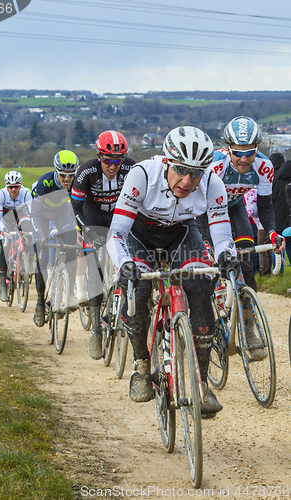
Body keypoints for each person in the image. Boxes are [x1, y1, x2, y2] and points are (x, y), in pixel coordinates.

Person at [106, 125, 240, 416]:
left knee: (200, 290)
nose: (188, 180)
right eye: (181, 169)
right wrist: (124, 263)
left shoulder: (212, 183)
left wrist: (225, 257)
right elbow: (116, 232)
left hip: (181, 234)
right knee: (138, 291)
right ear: (167, 161)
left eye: (196, 173)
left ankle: (202, 383)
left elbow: (220, 231)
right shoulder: (142, 175)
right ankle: (142, 366)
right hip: (140, 235)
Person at [198, 116, 285, 291]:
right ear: (228, 149)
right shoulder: (214, 165)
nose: (243, 159)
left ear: (257, 149)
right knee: (211, 264)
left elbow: (265, 205)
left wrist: (272, 232)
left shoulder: (264, 166)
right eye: (237, 153)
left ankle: (247, 314)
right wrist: (206, 240)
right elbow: (199, 205)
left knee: (246, 260)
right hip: (205, 211)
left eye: (249, 153)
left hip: (235, 208)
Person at [71, 130, 136, 360]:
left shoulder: (131, 168)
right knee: (95, 268)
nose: (113, 165)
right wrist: (84, 229)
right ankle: (96, 329)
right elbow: (75, 207)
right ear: (99, 157)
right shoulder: (86, 171)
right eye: (108, 161)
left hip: (119, 218)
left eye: (117, 160)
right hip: (93, 218)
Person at [31, 150, 81, 327]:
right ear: (56, 171)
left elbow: (78, 208)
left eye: (70, 175)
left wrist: (81, 230)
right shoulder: (45, 183)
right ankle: (39, 302)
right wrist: (41, 235)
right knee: (42, 256)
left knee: (71, 247)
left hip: (62, 214)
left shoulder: (77, 182)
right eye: (63, 175)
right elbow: (34, 213)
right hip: (41, 216)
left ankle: (71, 292)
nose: (67, 179)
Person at [0, 171, 32, 301]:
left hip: (22, 217)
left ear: (20, 185)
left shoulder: (26, 194)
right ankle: (2, 284)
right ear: (6, 186)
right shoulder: (0, 195)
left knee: (29, 232)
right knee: (5, 247)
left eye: (16, 186)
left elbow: (32, 214)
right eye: (10, 187)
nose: (13, 189)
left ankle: (25, 260)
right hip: (6, 220)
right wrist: (3, 230)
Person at [271, 154, 291, 270]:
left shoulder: (271, 178)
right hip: (287, 214)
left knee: (278, 244)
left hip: (277, 215)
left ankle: (278, 269)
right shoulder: (286, 177)